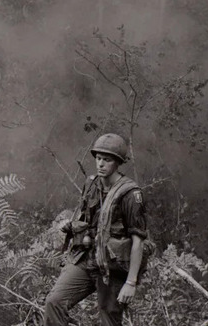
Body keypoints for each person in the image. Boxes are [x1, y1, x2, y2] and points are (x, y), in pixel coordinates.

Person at [44, 133, 149, 326]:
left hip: (113, 267)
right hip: (86, 259)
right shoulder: (91, 184)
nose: (100, 164)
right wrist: (71, 225)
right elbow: (85, 218)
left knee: (109, 320)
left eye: (107, 160)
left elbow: (138, 242)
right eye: (98, 158)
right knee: (54, 302)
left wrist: (131, 282)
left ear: (117, 163)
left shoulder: (131, 195)